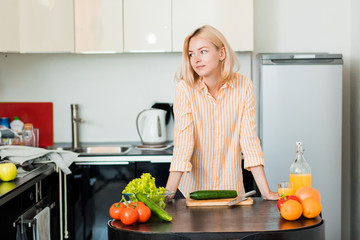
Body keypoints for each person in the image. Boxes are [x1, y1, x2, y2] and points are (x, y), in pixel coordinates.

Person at [165, 25, 278, 201]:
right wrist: (167, 195)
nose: (196, 59)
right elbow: (183, 144)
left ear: (222, 53)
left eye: (203, 51)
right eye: (191, 54)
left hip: (232, 193)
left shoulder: (244, 86)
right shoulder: (184, 89)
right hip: (192, 194)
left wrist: (266, 192)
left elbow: (249, 141)